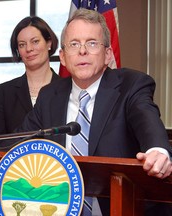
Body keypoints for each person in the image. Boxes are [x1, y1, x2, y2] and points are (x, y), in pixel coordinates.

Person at [14, 8, 172, 215]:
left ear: (107, 54)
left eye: (91, 43)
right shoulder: (50, 95)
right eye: (74, 44)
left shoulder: (131, 85)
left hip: (123, 208)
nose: (82, 51)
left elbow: (146, 120)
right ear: (62, 56)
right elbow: (19, 141)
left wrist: (158, 150)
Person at [0, 16, 61, 136]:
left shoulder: (67, 88)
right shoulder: (4, 92)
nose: (29, 49)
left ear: (49, 43)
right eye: (22, 45)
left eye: (35, 41)